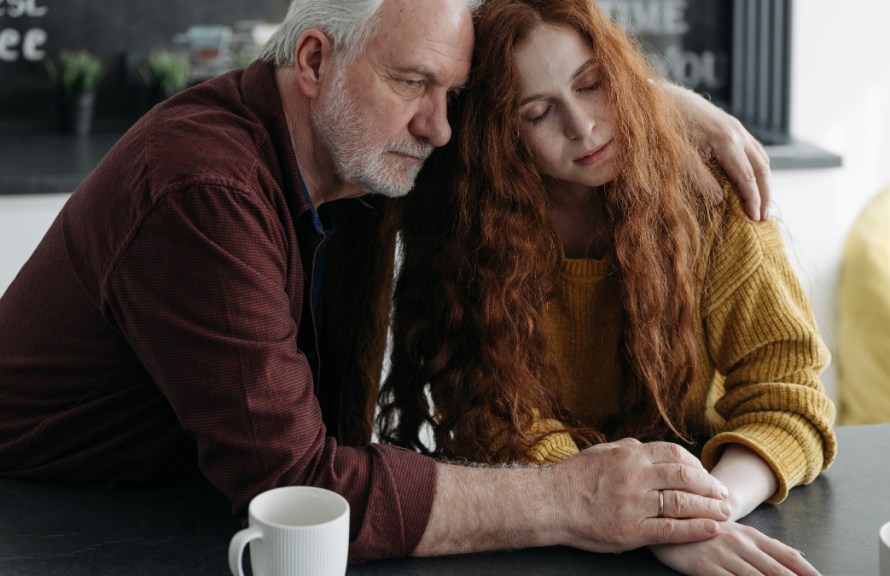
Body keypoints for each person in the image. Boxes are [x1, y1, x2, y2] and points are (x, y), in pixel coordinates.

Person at [0, 0, 768, 566]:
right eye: (412, 84)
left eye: (452, 96)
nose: (439, 126)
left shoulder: (366, 147)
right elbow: (302, 489)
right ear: (311, 63)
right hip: (48, 518)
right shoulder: (203, 190)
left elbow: (520, 96)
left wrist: (652, 105)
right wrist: (578, 498)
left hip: (184, 498)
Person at [379, 0, 838, 573]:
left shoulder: (707, 191)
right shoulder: (475, 233)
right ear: (499, 135)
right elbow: (497, 424)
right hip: (550, 533)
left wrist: (695, 517)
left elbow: (788, 396)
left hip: (714, 502)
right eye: (539, 113)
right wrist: (635, 517)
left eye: (592, 84)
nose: (583, 125)